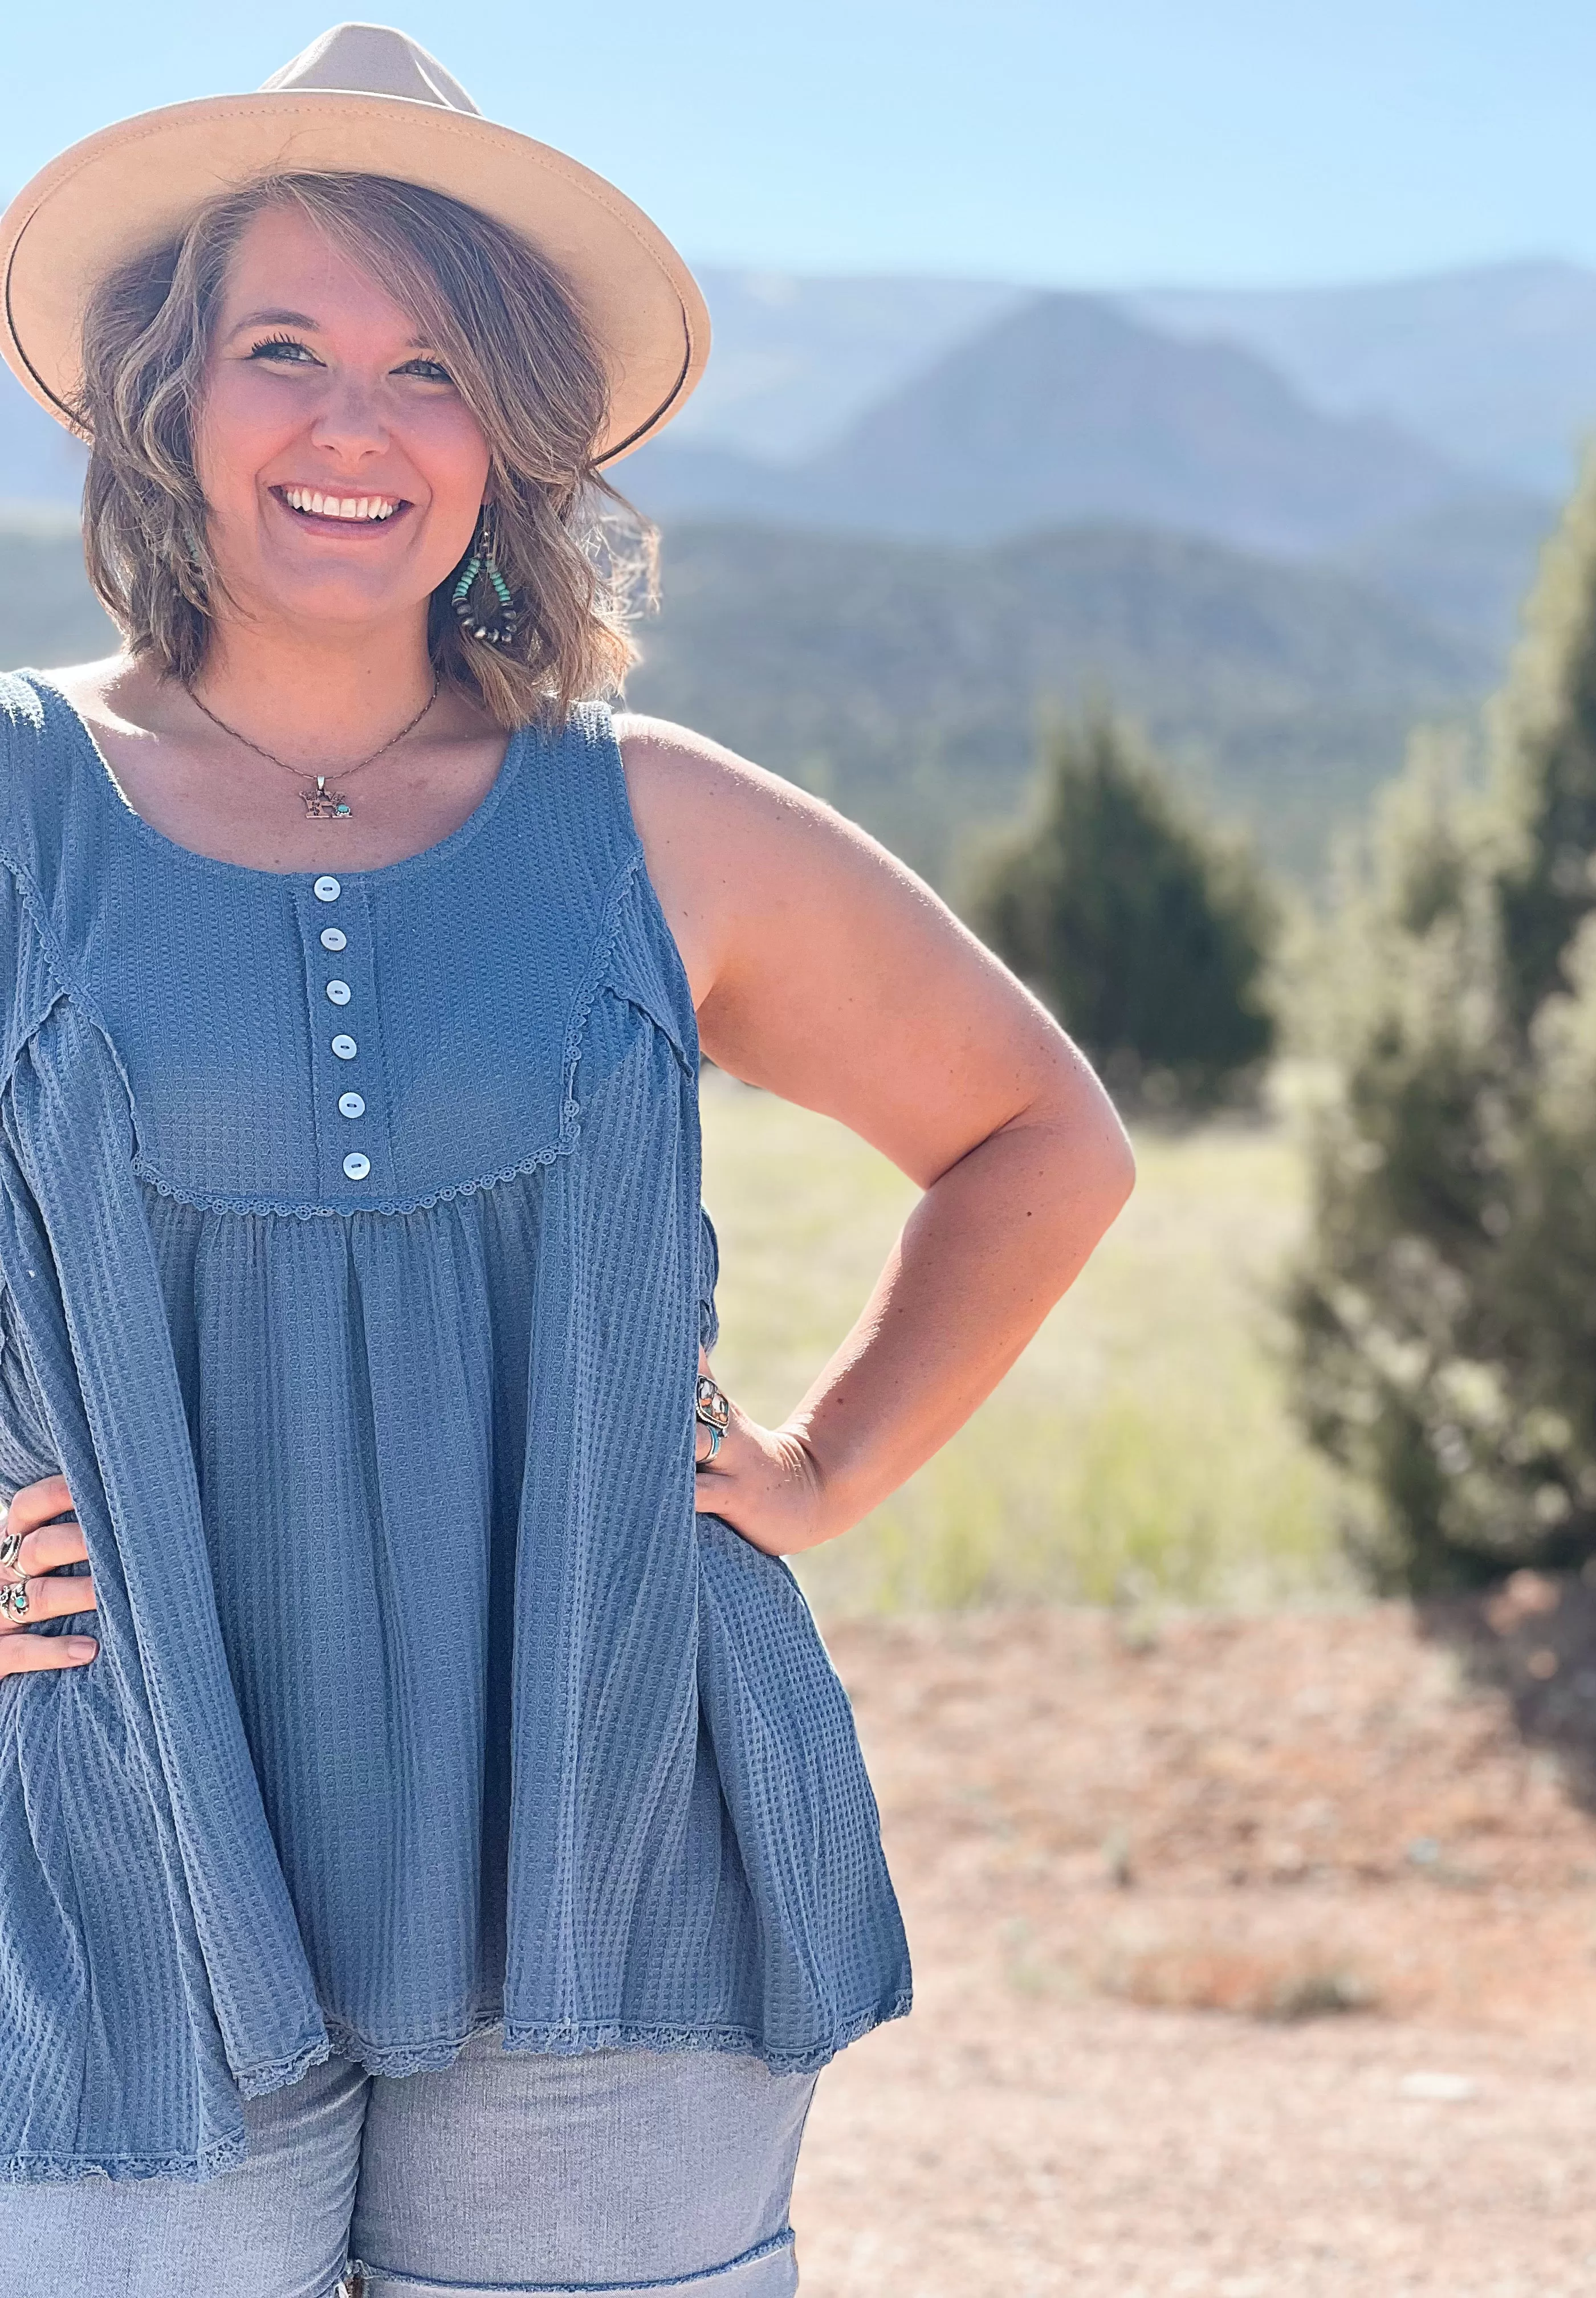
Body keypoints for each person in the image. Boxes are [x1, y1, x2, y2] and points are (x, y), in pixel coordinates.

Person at [0, 25, 1134, 2297]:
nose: (352, 425)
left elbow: (1041, 1144)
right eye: (283, 350)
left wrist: (816, 1468)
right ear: (168, 395)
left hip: (608, 1861)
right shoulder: (19, 803)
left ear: (512, 434)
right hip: (114, 1860)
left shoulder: (659, 823)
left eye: (431, 368)